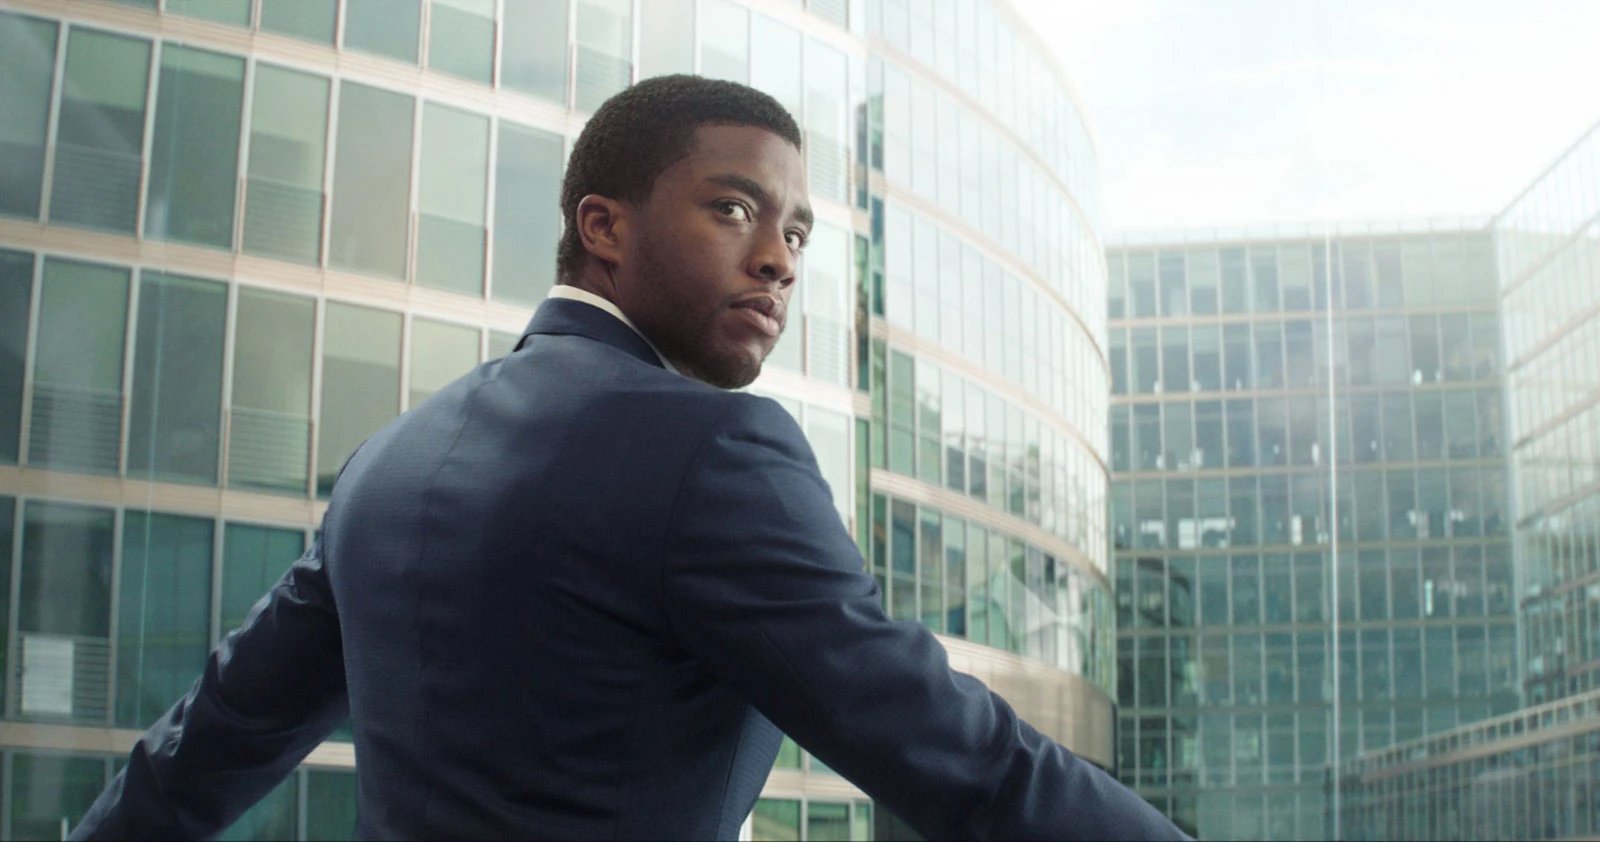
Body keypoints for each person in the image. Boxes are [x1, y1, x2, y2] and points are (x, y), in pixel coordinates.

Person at [71, 75, 1189, 842]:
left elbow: (208, 748)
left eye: (797, 232)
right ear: (603, 227)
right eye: (735, 209)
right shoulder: (713, 449)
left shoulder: (387, 462)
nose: (779, 259)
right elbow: (961, 761)